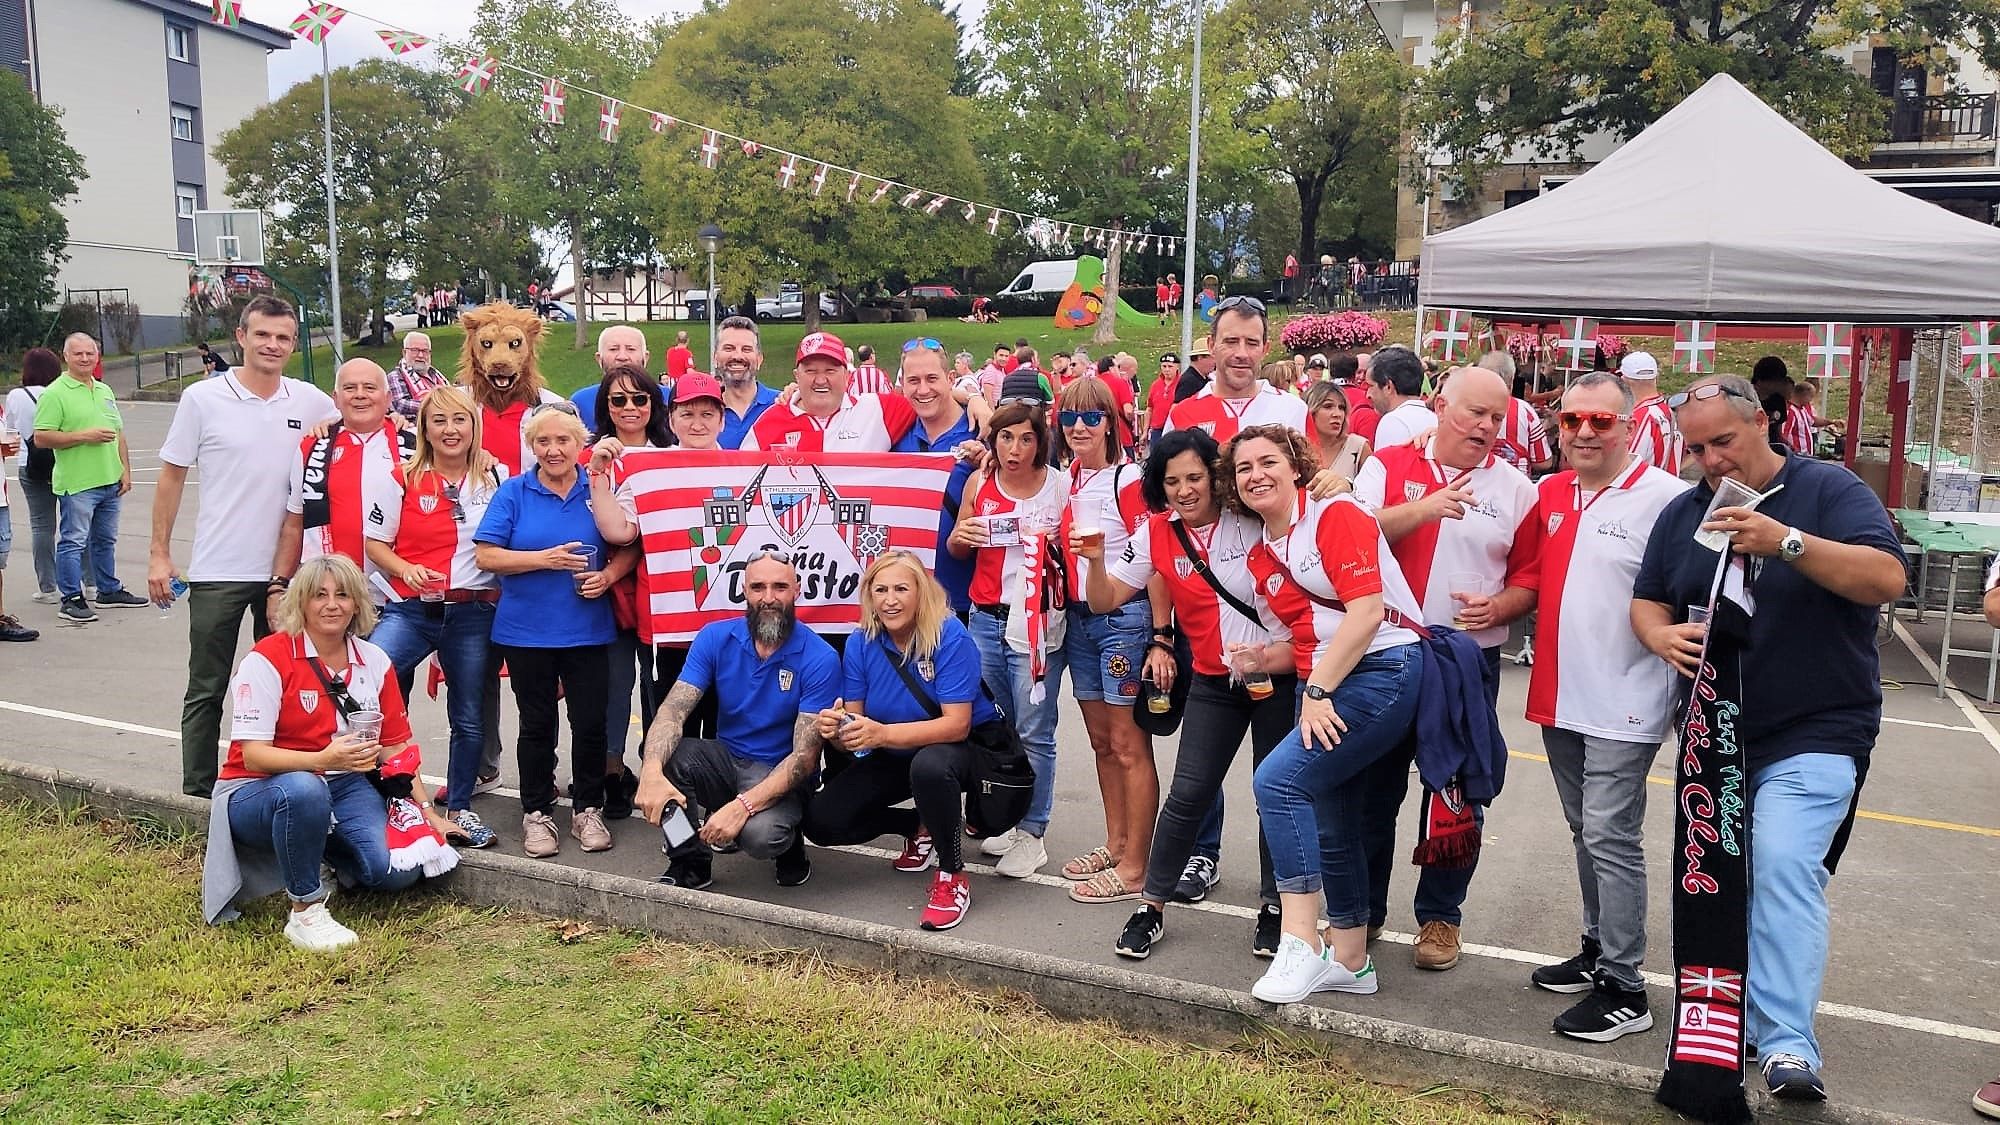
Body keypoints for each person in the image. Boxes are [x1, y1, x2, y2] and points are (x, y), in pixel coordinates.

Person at [1632, 373, 1905, 1102]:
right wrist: (1659, 633)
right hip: (1715, 739)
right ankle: (1728, 1021)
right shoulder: (1686, 508)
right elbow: (1649, 595)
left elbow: (1885, 577)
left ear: (1764, 424)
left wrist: (1785, 542)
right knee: (1721, 882)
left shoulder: (1829, 490)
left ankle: (1787, 1043)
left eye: (1724, 440)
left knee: (1783, 862)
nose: (1711, 459)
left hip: (1816, 726)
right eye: (1696, 447)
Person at [1224, 424, 1427, 1003]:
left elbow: (1365, 615)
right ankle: (1353, 962)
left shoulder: (1336, 514)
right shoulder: (1266, 550)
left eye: (1268, 461)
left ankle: (1300, 943)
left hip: (1384, 670)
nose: (1256, 474)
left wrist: (1316, 692)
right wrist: (1263, 656)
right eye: (1244, 468)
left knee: (1279, 783)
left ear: (1296, 467)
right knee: (1334, 820)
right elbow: (1311, 634)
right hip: (1327, 678)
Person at [1080, 428, 1295, 958]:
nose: (1184, 490)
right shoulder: (1157, 532)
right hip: (1214, 681)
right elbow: (1105, 599)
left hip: (1278, 675)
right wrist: (1093, 560)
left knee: (1275, 793)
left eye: (1195, 477)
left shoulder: (1250, 516)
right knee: (1189, 793)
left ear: (1215, 476)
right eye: (1172, 480)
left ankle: (1275, 907)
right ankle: (1150, 906)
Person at [1352, 365, 1539, 972]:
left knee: (1456, 788)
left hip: (1466, 659)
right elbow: (1355, 532)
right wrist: (1427, 508)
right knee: (1374, 789)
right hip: (1385, 652)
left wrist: (1502, 605)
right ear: (1439, 405)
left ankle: (1441, 916)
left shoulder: (1517, 489)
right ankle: (1365, 910)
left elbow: (1530, 579)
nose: (1486, 427)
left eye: (1496, 417)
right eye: (1474, 414)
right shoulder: (1389, 464)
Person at [1521, 372, 1688, 1042]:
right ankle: (1597, 947)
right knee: (1584, 830)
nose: (1585, 433)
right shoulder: (1549, 490)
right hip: (1561, 692)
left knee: (1610, 836)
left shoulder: (1668, 500)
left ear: (1628, 427)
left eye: (1601, 422)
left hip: (1628, 695)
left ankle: (1625, 985)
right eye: (1573, 421)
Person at [200, 554, 454, 948]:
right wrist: (322, 761)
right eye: (319, 595)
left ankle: (318, 852)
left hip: (345, 783)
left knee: (395, 873)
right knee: (305, 789)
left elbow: (396, 746)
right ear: (301, 602)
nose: (332, 604)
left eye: (343, 595)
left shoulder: (375, 660)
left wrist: (428, 813)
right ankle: (306, 910)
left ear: (358, 603)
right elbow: (253, 756)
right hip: (260, 789)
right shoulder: (267, 659)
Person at [153, 295, 337, 798]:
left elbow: (364, 419)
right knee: (208, 687)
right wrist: (159, 553)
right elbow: (170, 478)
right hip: (220, 567)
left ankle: (268, 789)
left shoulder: (311, 401)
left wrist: (331, 425)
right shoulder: (203, 399)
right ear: (241, 337)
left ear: (294, 344)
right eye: (262, 335)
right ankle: (197, 795)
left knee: (286, 685)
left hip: (290, 576)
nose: (272, 345)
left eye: (282, 338)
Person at [802, 554, 1003, 930]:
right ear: (869, 596)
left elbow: (956, 725)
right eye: (880, 590)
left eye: (900, 589)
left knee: (930, 766)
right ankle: (916, 826)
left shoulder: (949, 635)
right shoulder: (862, 640)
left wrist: (883, 734)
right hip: (895, 750)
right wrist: (839, 730)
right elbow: (859, 731)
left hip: (959, 750)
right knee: (821, 822)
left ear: (920, 594)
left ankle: (952, 876)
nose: (890, 600)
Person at [635, 552, 839, 889]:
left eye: (780, 587)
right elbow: (673, 711)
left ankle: (790, 844)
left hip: (780, 769)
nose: (769, 598)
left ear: (797, 590)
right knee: (661, 753)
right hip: (726, 760)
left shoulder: (821, 657)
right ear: (743, 590)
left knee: (761, 837)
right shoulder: (715, 637)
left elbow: (804, 759)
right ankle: (689, 860)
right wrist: (651, 771)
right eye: (758, 587)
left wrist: (742, 807)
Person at [473, 405, 618, 858]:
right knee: (537, 726)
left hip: (589, 630)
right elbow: (486, 556)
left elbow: (631, 544)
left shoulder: (598, 489)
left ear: (581, 445)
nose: (553, 450)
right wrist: (544, 560)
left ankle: (588, 808)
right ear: (531, 446)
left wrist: (609, 578)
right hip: (526, 633)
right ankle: (536, 812)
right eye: (543, 442)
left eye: (562, 441)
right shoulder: (515, 492)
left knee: (591, 725)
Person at [364, 385, 504, 850]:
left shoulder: (494, 476)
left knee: (467, 714)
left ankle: (459, 804)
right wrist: (405, 569)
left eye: (459, 419)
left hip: (472, 610)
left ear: (473, 426)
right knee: (370, 681)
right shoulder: (400, 476)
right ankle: (386, 795)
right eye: (439, 420)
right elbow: (374, 542)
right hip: (412, 609)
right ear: (424, 427)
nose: (450, 429)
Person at [947, 401, 1070, 878]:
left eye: (1025, 439)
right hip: (985, 619)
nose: (1014, 449)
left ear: (1041, 442)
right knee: (997, 727)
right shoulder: (980, 482)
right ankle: (1010, 819)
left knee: (1035, 728)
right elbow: (957, 546)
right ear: (993, 438)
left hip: (1038, 621)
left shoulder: (1058, 487)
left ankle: (1034, 832)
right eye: (1005, 438)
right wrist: (965, 534)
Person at [1050, 376, 1156, 903]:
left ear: (1112, 423)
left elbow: (1155, 548)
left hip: (1123, 620)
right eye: (1069, 418)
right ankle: (1116, 843)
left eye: (1092, 417)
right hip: (1079, 618)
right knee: (1099, 742)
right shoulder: (1069, 477)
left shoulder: (1128, 478)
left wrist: (1161, 633)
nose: (1079, 428)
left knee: (1127, 744)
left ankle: (1137, 864)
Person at [581, 362, 674, 817]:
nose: (630, 407)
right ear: (605, 407)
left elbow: (651, 536)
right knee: (614, 688)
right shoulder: (587, 457)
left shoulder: (671, 455)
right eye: (619, 399)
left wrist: (617, 570)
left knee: (660, 690)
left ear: (654, 404)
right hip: (601, 595)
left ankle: (661, 772)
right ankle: (611, 772)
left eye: (640, 398)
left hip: (659, 592)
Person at [33, 332, 144, 622]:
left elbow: (119, 433)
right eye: (78, 353)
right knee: (73, 540)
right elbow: (42, 437)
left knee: (105, 539)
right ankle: (71, 597)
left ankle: (107, 589)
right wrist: (84, 436)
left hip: (109, 480)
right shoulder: (55, 393)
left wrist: (125, 470)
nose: (84, 358)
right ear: (65, 356)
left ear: (97, 357)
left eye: (90, 353)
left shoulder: (104, 390)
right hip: (79, 483)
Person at [274, 359, 405, 599]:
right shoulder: (312, 446)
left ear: (387, 399)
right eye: (350, 388)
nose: (359, 395)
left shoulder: (417, 443)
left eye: (369, 387)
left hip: (399, 598)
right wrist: (277, 585)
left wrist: (482, 456)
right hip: (330, 598)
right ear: (335, 399)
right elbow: (294, 524)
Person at [746, 332, 920, 452]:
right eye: (811, 371)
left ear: (846, 375)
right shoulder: (769, 423)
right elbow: (740, 480)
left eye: (830, 371)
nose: (821, 380)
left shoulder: (878, 410)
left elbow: (935, 402)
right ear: (796, 376)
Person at [1165, 298, 1307, 443]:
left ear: (1265, 349)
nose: (1241, 354)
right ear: (1211, 345)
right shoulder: (1181, 415)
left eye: (1252, 343)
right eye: (1231, 342)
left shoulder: (1295, 411)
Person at [5, 348, 62, 608]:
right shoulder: (60, 392)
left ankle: (48, 587)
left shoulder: (17, 395)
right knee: (77, 525)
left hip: (31, 464)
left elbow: (11, 430)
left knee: (42, 526)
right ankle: (91, 582)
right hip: (63, 462)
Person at [893, 339, 981, 454]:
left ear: (950, 379)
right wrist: (973, 398)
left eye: (932, 379)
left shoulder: (982, 430)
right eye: (913, 380)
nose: (923, 390)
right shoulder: (892, 428)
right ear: (902, 383)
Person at [1475, 351, 1555, 475]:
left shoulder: (1466, 407)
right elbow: (1543, 462)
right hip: (1515, 487)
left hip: (1472, 486)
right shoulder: (1525, 411)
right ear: (1511, 380)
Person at [708, 316, 781, 449]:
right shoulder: (704, 412)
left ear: (759, 359)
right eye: (729, 348)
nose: (738, 356)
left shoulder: (782, 405)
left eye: (746, 349)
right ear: (715, 358)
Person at [572, 325, 652, 436]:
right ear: (599, 359)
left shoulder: (668, 398)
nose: (622, 357)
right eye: (613, 349)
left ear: (645, 357)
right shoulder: (580, 402)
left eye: (631, 349)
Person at [1619, 351, 1685, 475]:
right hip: (1669, 486)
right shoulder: (1669, 410)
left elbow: (1626, 468)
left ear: (1625, 380)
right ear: (1655, 378)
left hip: (1645, 491)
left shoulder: (1641, 417)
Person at [1367, 346, 1436, 449]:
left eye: (1371, 386)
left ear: (1388, 387)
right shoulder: (1437, 419)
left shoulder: (1393, 421)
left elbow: (1386, 465)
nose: (1368, 395)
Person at [1305, 380, 1370, 483]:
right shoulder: (1297, 448)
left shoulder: (1358, 447)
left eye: (1342, 408)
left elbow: (1371, 493)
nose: (1337, 414)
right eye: (1328, 406)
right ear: (1311, 410)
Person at [386, 332, 449, 423]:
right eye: (415, 350)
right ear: (404, 353)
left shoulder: (436, 375)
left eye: (424, 351)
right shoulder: (396, 375)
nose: (420, 355)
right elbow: (400, 405)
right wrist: (438, 406)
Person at [1145, 354, 1179, 448]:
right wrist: (1145, 431)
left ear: (1177, 367)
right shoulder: (1155, 385)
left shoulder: (1182, 384)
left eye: (1170, 366)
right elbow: (1149, 408)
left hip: (1174, 429)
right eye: (1164, 366)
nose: (1167, 369)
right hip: (1157, 430)